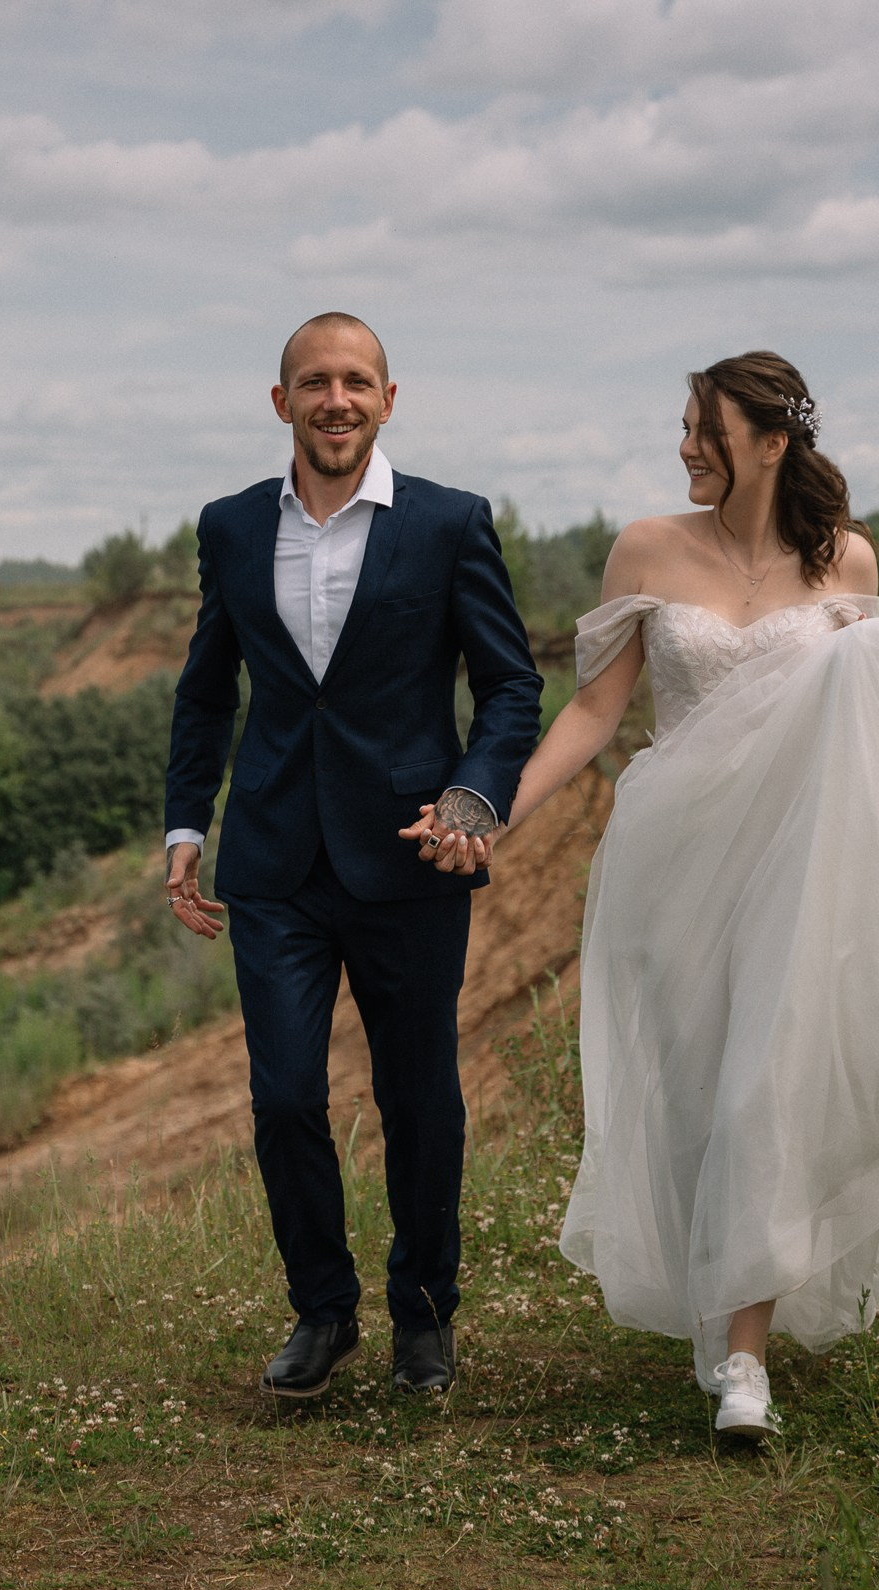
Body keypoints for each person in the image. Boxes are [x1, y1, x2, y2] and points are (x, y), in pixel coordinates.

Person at [413, 351, 879, 1438]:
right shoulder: (644, 548)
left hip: (803, 865)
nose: (683, 446)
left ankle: (743, 1365)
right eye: (682, 426)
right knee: (693, 1094)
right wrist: (486, 816)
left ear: (771, 444)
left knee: (764, 1089)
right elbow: (589, 717)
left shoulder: (850, 564)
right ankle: (722, 1301)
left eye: (704, 431)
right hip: (673, 863)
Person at [163, 312, 543, 1400]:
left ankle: (424, 1319)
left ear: (388, 398)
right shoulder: (231, 528)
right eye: (314, 383)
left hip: (411, 857)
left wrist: (473, 798)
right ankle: (322, 1313)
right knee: (284, 1097)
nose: (337, 400)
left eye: (356, 382)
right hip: (273, 859)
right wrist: (187, 826)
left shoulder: (449, 524)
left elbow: (509, 683)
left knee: (418, 1095)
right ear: (280, 402)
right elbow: (206, 690)